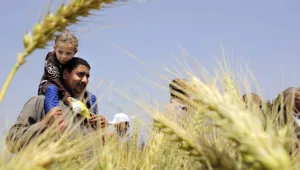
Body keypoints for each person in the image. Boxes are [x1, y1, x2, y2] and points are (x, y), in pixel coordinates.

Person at [6, 57, 106, 153]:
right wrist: (43, 124)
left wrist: (101, 132)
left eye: (87, 76)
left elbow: (99, 155)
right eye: (80, 74)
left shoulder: (88, 113)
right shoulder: (40, 102)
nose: (85, 80)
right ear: (66, 74)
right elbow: (12, 142)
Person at [37, 30, 98, 115]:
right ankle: (53, 116)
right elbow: (54, 79)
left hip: (66, 89)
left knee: (91, 97)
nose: (63, 56)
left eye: (68, 53)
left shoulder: (72, 62)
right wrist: (67, 97)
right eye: (60, 52)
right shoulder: (51, 59)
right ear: (55, 49)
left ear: (75, 52)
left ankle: (92, 117)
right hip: (50, 84)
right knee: (52, 89)